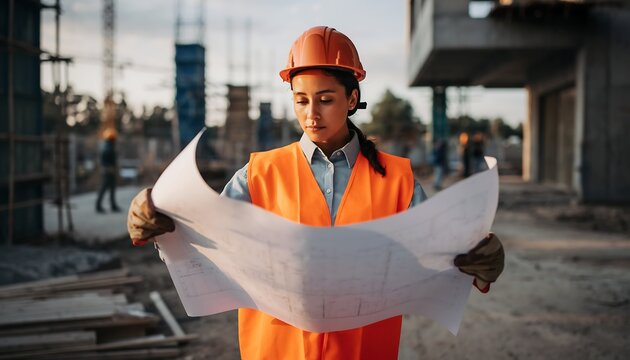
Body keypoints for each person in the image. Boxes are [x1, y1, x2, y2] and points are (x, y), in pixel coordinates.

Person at [127, 26, 504, 360]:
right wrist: (157, 225)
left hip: (363, 351)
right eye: (301, 100)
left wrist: (479, 266)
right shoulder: (259, 174)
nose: (311, 114)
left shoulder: (397, 180)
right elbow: (202, 243)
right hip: (275, 351)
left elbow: (444, 259)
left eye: (325, 99)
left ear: (352, 99)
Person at [96, 128, 121, 213]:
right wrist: (110, 168)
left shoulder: (107, 146)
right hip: (108, 171)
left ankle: (112, 206)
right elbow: (106, 160)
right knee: (104, 188)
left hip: (108, 171)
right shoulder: (109, 147)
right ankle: (99, 206)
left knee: (111, 189)